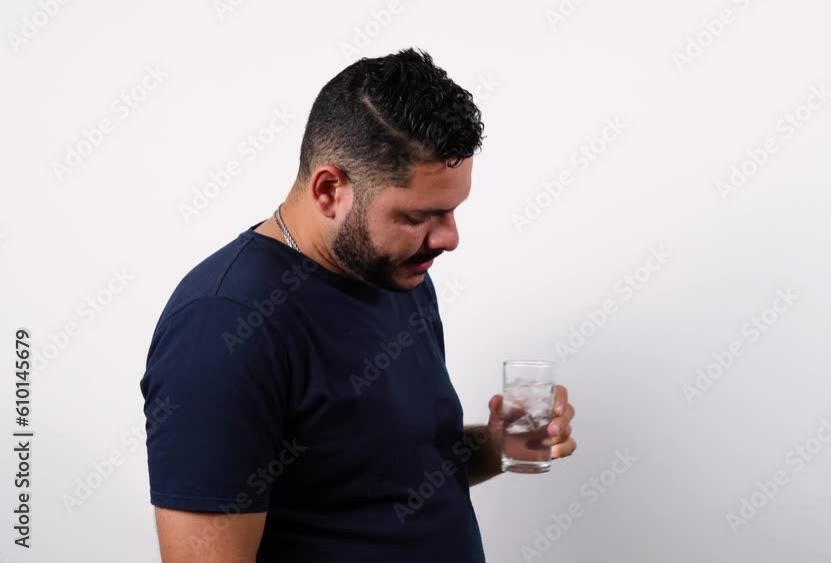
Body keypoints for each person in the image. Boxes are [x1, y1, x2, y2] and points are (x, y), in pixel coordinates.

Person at [139, 47, 577, 562]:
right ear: (329, 190)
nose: (450, 238)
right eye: (421, 215)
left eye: (455, 210)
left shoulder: (399, 273)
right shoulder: (224, 325)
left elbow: (388, 469)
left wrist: (499, 446)